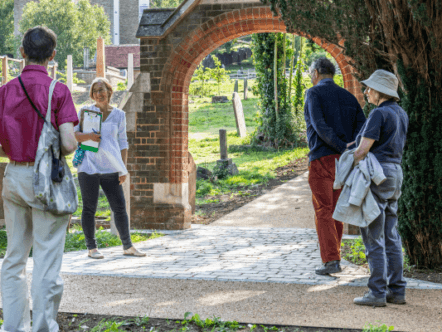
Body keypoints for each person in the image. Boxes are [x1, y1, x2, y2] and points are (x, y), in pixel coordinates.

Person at [0, 26, 79, 331]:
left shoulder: (4, 92)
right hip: (47, 179)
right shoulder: (57, 91)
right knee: (46, 258)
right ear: (52, 55)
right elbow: (70, 144)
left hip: (14, 174)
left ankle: (13, 328)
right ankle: (43, 327)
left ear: (22, 52)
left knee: (14, 258)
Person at [304, 57, 366, 275]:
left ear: (316, 73)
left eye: (310, 73)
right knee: (336, 209)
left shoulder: (313, 93)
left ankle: (331, 261)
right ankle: (335, 256)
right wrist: (350, 148)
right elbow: (362, 125)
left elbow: (319, 125)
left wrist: (340, 146)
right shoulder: (348, 96)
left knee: (323, 209)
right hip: (344, 162)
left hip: (322, 158)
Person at [353, 69, 409, 307]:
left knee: (372, 235)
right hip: (395, 173)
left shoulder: (378, 113)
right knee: (391, 235)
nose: (366, 91)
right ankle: (397, 291)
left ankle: (376, 293)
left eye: (369, 88)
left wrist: (350, 162)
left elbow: (363, 150)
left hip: (377, 174)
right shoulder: (401, 113)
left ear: (380, 91)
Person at [74, 77, 145, 259]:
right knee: (89, 208)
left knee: (119, 207)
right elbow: (74, 135)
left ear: (109, 92)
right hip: (88, 166)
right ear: (92, 94)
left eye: (102, 89)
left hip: (111, 167)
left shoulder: (119, 115)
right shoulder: (85, 111)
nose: (99, 94)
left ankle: (128, 246)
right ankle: (92, 248)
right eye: (95, 91)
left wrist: (123, 169)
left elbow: (123, 143)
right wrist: (88, 135)